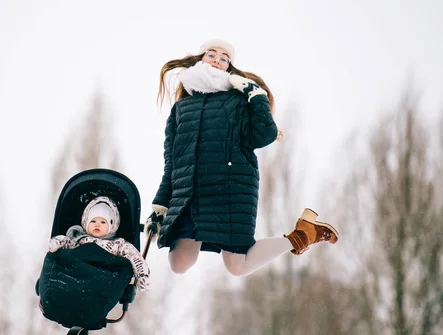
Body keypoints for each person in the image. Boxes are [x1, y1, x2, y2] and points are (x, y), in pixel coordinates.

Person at [145, 39, 339, 276]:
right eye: (211, 54)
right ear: (200, 59)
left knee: (237, 266)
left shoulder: (238, 100)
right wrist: (160, 207)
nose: (217, 60)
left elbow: (266, 134)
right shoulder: (181, 109)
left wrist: (254, 93)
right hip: (189, 194)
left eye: (224, 58)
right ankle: (304, 233)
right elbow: (172, 164)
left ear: (229, 68)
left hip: (230, 190)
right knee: (179, 263)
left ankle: (302, 235)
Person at [49, 196, 150, 292]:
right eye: (93, 221)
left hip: (104, 278)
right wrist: (58, 242)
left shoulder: (118, 244)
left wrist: (142, 275)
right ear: (86, 223)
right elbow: (68, 243)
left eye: (103, 222)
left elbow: (134, 256)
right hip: (79, 275)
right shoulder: (80, 239)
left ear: (111, 225)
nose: (97, 224)